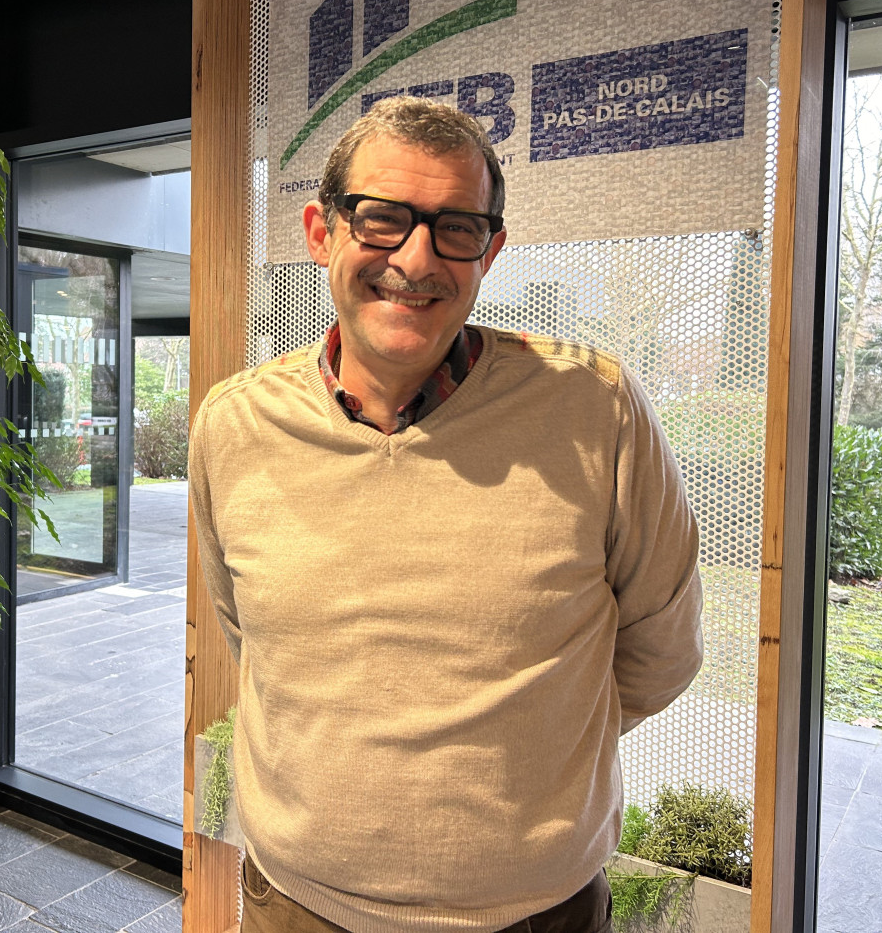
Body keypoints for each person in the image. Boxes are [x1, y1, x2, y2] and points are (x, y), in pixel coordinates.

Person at [189, 96, 703, 933]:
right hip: (298, 908)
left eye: (456, 227)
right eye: (383, 219)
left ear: (489, 250)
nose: (417, 258)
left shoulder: (595, 410)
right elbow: (252, 637)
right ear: (322, 233)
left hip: (538, 917)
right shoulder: (234, 423)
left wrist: (530, 753)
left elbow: (662, 651)